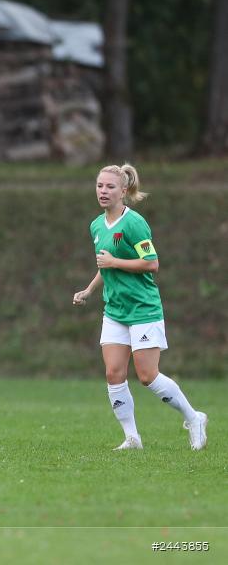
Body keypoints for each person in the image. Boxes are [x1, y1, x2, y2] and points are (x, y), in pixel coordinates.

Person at [72, 163, 207, 451]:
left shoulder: (134, 223)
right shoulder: (96, 225)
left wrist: (115, 263)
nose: (103, 191)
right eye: (99, 186)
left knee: (147, 376)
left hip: (143, 309)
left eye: (110, 187)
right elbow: (104, 265)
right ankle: (132, 438)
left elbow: (152, 263)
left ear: (123, 191)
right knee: (114, 373)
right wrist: (89, 289)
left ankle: (194, 418)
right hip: (115, 310)